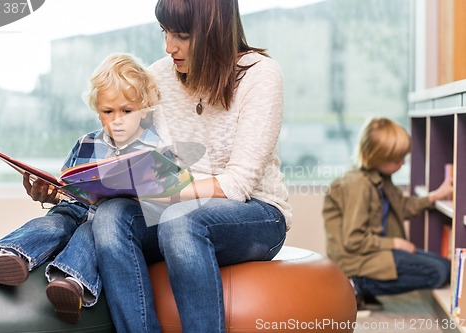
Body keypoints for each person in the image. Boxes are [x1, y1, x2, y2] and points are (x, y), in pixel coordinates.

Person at [90, 0, 293, 332]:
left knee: (178, 221)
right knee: (111, 217)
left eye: (181, 35)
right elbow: (133, 147)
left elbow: (238, 184)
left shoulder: (260, 75)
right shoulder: (156, 76)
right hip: (178, 205)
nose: (169, 47)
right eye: (165, 32)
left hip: (256, 212)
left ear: (214, 31)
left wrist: (163, 192)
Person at [0, 53, 161, 323]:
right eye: (108, 111)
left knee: (90, 231)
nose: (117, 120)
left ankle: (70, 282)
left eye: (127, 111)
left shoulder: (154, 147)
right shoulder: (85, 143)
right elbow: (68, 185)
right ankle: (10, 255)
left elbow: (162, 201)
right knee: (54, 223)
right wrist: (48, 193)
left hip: (112, 221)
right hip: (74, 209)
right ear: (98, 111)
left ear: (145, 110)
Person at [323, 117, 453, 313]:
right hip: (359, 260)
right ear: (375, 157)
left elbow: (403, 207)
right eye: (395, 160)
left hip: (379, 251)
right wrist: (396, 244)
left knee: (445, 265)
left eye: (403, 157)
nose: (401, 163)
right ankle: (357, 284)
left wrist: (434, 196)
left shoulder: (381, 177)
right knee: (442, 271)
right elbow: (353, 240)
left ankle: (363, 285)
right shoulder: (358, 185)